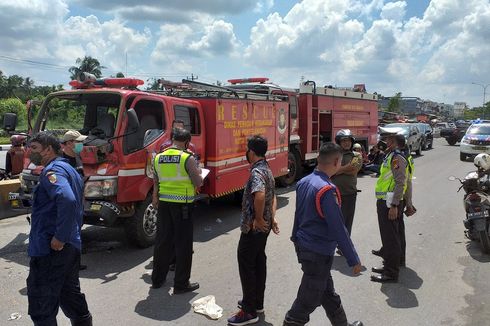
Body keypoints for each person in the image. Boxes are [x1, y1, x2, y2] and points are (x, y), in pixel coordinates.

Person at [283, 142, 363, 326]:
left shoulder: (304, 182)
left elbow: (298, 216)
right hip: (318, 252)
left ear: (319, 159)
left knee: (328, 294)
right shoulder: (327, 190)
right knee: (305, 303)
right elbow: (338, 228)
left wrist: (295, 239)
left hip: (305, 246)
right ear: (336, 161)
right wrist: (353, 258)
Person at [26, 131, 92, 326]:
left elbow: (68, 200)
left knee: (42, 306)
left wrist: (60, 237)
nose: (30, 152)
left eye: (35, 148)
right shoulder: (69, 168)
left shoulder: (52, 172)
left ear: (48, 149)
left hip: (51, 249)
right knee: (70, 296)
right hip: (70, 245)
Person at [228, 135, 280, 326]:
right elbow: (273, 196)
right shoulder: (267, 168)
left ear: (251, 151)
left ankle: (249, 311)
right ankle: (257, 303)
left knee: (247, 265)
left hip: (254, 228)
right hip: (264, 227)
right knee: (258, 262)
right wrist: (272, 218)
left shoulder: (257, 172)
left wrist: (258, 218)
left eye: (247, 149)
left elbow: (260, 195)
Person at [151, 128, 203, 293]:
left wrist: (155, 197)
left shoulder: (158, 157)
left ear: (172, 140)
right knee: (183, 245)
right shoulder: (187, 158)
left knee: (162, 242)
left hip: (164, 203)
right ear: (187, 142)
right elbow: (198, 182)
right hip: (183, 205)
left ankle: (157, 280)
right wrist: (199, 173)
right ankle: (181, 284)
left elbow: (156, 181)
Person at [370, 128, 410, 283]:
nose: (385, 142)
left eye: (387, 139)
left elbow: (401, 182)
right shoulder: (391, 156)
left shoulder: (396, 158)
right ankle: (389, 265)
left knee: (390, 239)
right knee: (390, 237)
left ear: (393, 141)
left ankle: (391, 273)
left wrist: (394, 205)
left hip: (390, 203)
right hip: (387, 201)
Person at [62, 130, 88, 270]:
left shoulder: (78, 158)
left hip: (78, 203)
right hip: (67, 205)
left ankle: (75, 263)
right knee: (67, 234)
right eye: (79, 142)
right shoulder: (61, 161)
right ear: (69, 143)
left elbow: (81, 178)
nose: (81, 145)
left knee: (77, 234)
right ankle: (66, 264)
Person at [331, 129, 362, 239]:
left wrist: (337, 170)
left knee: (347, 221)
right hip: (333, 194)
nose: (346, 143)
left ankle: (344, 246)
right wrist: (346, 168)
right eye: (344, 141)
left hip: (349, 193)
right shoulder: (333, 155)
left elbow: (353, 170)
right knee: (332, 220)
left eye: (348, 140)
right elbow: (329, 172)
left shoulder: (356, 155)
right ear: (339, 142)